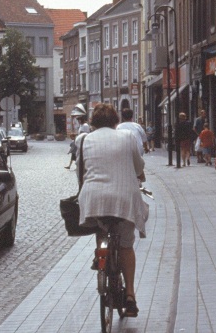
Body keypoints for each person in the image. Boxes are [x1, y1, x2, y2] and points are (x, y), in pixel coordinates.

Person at [76, 103, 149, 317]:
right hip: (124, 199)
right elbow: (138, 166)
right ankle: (130, 296)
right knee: (126, 245)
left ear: (93, 122)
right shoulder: (126, 137)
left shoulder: (85, 140)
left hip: (94, 199)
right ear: (116, 121)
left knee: (100, 227)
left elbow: (81, 171)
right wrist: (139, 175)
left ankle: (101, 255)